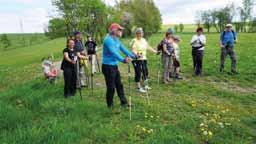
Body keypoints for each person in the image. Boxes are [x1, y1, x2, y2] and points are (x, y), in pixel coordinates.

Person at [102, 23, 136, 108]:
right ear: (114, 31)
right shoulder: (108, 40)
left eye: (121, 30)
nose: (121, 31)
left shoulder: (116, 40)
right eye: (119, 30)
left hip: (114, 66)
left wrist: (134, 55)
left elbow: (123, 49)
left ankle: (123, 102)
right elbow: (114, 53)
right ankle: (110, 106)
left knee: (119, 85)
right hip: (108, 66)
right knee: (111, 87)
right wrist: (123, 60)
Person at [130, 27, 157, 93]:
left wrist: (155, 51)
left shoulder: (144, 40)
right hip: (136, 59)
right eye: (138, 33)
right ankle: (139, 87)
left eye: (141, 33)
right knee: (138, 72)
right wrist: (137, 54)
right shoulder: (134, 40)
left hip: (144, 58)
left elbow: (148, 47)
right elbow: (132, 50)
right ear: (136, 34)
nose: (140, 34)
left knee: (145, 71)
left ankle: (145, 85)